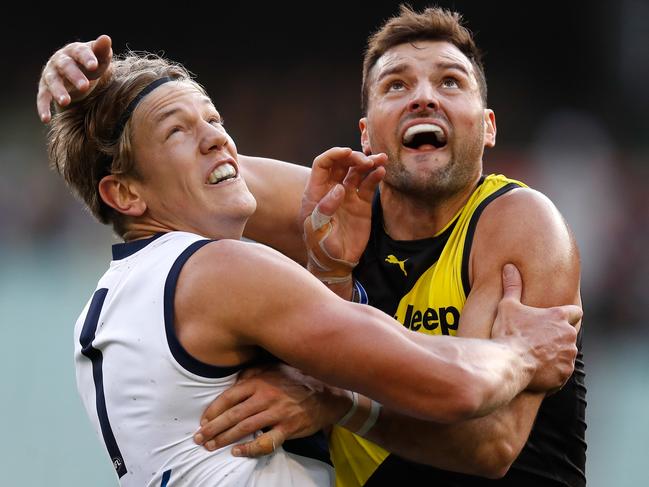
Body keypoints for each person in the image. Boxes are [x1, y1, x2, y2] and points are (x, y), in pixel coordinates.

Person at [38, 6, 585, 485]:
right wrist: (84, 99)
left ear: (488, 126)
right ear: (366, 135)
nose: (423, 98)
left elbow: (488, 446)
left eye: (449, 82)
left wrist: (331, 398)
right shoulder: (296, 222)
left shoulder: (520, 220)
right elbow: (170, 177)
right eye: (397, 85)